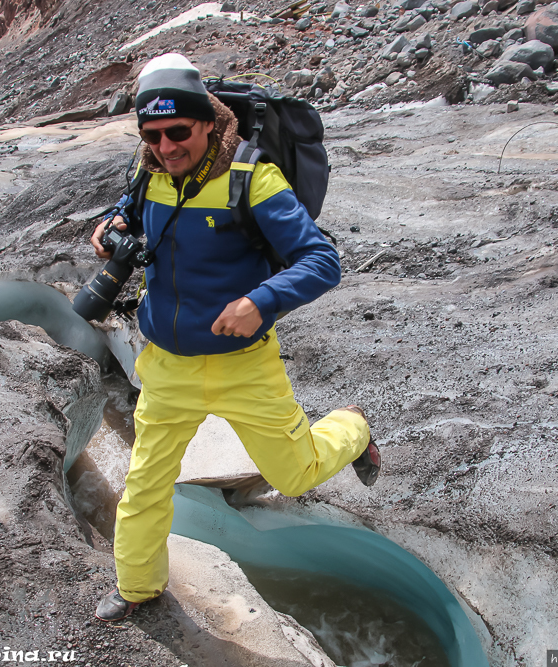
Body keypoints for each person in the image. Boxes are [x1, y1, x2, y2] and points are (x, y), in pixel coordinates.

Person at [88, 53, 381, 622]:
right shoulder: (148, 170)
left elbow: (322, 259)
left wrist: (260, 301)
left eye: (178, 132)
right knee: (144, 486)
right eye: (153, 135)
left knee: (293, 474)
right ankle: (137, 587)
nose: (167, 147)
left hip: (243, 363)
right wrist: (110, 228)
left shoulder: (251, 176)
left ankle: (353, 426)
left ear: (207, 120)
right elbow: (125, 210)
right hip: (168, 367)